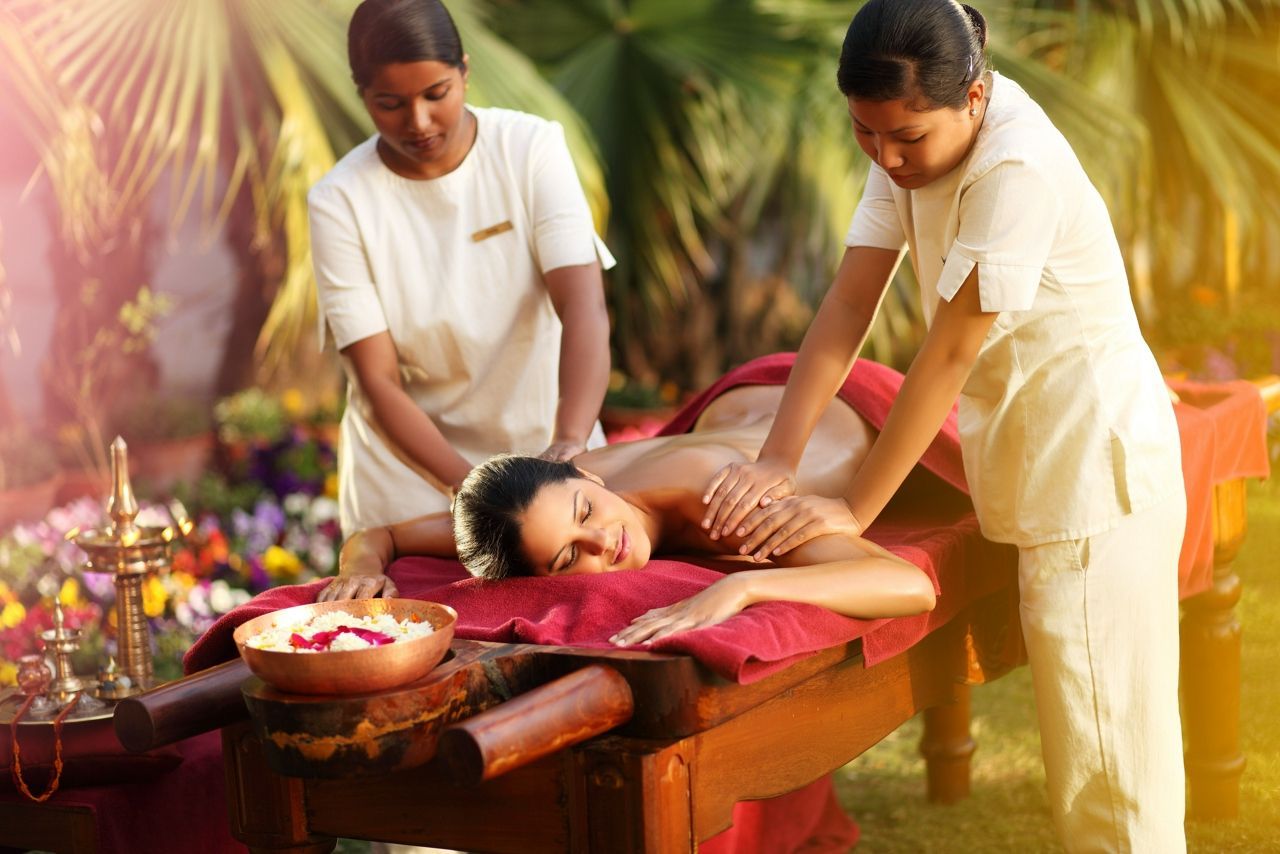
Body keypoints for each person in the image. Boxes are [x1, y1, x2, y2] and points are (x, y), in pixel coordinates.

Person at [698, 2, 1186, 850]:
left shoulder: (1015, 169)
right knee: (1100, 762)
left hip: (1095, 468)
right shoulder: (907, 136)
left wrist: (852, 509)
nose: (886, 158)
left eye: (906, 139)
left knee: (1111, 776)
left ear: (973, 97)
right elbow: (851, 302)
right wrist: (778, 458)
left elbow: (948, 355)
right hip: (1038, 450)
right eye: (863, 132)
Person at [319, 381, 937, 644]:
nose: (602, 541)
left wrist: (746, 585)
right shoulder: (543, 508)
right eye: (568, 556)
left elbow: (908, 585)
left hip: (836, 404)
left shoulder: (726, 504)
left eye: (586, 509)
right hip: (740, 414)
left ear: (587, 472)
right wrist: (362, 566)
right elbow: (381, 534)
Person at [310, 0, 613, 535]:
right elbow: (377, 380)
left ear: (465, 71)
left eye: (436, 94)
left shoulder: (530, 148)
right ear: (362, 95)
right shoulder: (339, 201)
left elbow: (583, 306)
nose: (419, 122)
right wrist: (473, 493)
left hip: (549, 461)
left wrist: (569, 442)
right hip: (410, 482)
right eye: (390, 103)